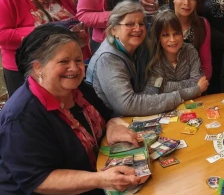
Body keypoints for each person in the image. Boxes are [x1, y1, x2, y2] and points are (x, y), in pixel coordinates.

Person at [0, 23, 143, 194]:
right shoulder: (22, 117)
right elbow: (38, 180)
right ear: (38, 67)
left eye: (78, 60)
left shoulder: (78, 88)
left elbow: (107, 116)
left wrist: (112, 127)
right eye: (63, 61)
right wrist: (100, 179)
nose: (74, 68)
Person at [0, 0, 90, 97]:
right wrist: (42, 32)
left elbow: (78, 27)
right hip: (27, 71)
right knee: (34, 117)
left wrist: (80, 38)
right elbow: (2, 35)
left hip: (64, 71)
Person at [86, 0, 190, 116]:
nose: (137, 29)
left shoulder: (140, 46)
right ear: (113, 30)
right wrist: (176, 97)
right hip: (110, 123)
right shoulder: (107, 58)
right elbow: (127, 105)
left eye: (141, 24)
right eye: (130, 24)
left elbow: (156, 81)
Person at [145, 10, 209, 98]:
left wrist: (168, 86)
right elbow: (157, 90)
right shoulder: (155, 58)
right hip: (166, 107)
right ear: (158, 38)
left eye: (176, 34)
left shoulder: (190, 50)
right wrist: (195, 89)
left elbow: (198, 80)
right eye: (166, 35)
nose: (172, 40)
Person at [168, 0, 212, 80]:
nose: (187, 2)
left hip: (196, 84)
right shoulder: (164, 23)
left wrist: (199, 88)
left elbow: (206, 64)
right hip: (168, 86)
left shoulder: (202, 24)